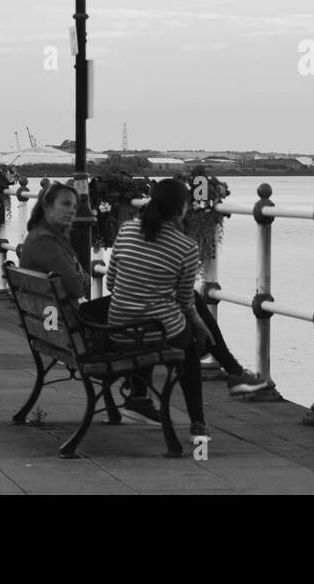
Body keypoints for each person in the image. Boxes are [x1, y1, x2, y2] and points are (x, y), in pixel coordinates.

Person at [106, 178, 214, 435]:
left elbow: (110, 282)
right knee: (188, 345)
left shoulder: (127, 230)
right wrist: (200, 326)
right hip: (155, 331)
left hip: (118, 327)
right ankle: (197, 421)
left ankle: (140, 397)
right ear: (182, 208)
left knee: (148, 323)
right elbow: (185, 301)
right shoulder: (186, 247)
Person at [17, 181, 88, 302]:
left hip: (45, 311)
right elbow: (75, 287)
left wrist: (79, 274)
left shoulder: (43, 234)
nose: (72, 211)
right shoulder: (44, 242)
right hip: (57, 315)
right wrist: (80, 273)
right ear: (47, 206)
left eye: (75, 206)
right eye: (66, 204)